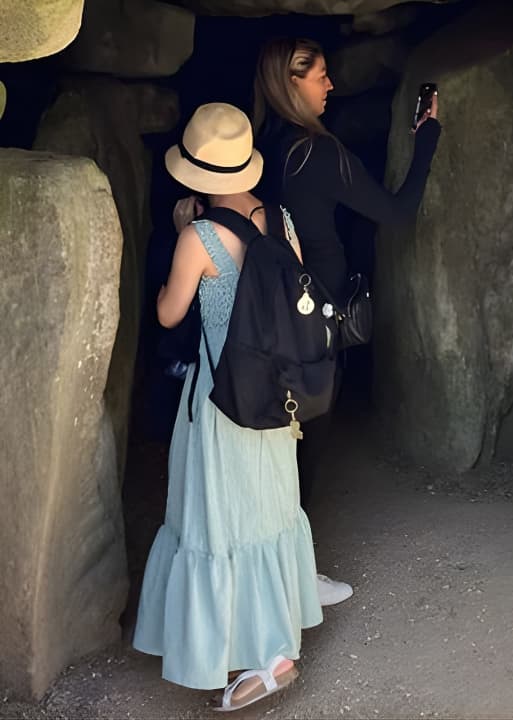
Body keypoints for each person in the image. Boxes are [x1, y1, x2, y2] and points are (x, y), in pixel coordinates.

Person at [132, 102, 322, 712]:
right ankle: (277, 641)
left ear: (194, 176)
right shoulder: (280, 221)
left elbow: (169, 313)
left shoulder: (199, 238)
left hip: (221, 400)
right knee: (268, 512)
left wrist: (178, 240)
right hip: (274, 396)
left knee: (220, 520)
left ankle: (255, 656)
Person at [252, 35, 440, 555]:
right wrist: (427, 140)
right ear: (292, 83)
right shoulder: (317, 151)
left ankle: (273, 564)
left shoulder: (261, 147)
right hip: (315, 312)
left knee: (272, 443)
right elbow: (397, 213)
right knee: (307, 445)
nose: (331, 85)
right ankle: (292, 570)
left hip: (265, 307)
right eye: (320, 76)